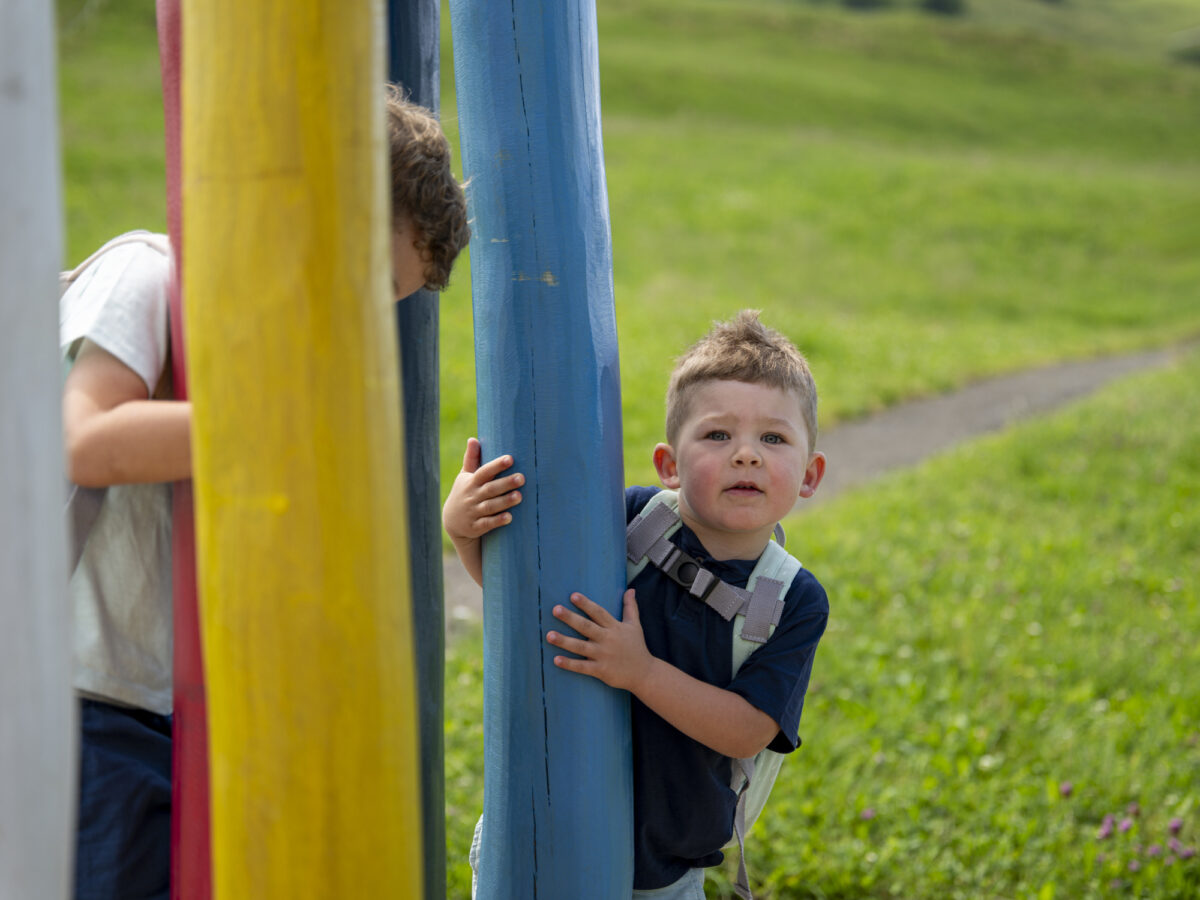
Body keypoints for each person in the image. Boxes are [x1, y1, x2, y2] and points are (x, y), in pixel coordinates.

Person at [62, 86, 469, 900]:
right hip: (82, 696)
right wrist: (271, 424)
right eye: (368, 279)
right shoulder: (150, 272)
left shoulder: (283, 353)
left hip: (176, 709)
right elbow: (87, 442)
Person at [444, 310, 829, 899]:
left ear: (810, 474)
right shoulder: (629, 520)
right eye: (717, 435)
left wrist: (641, 673)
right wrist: (465, 532)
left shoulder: (792, 600)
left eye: (773, 438)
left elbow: (747, 731)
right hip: (536, 837)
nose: (746, 455)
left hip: (663, 873)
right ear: (669, 465)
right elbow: (533, 610)